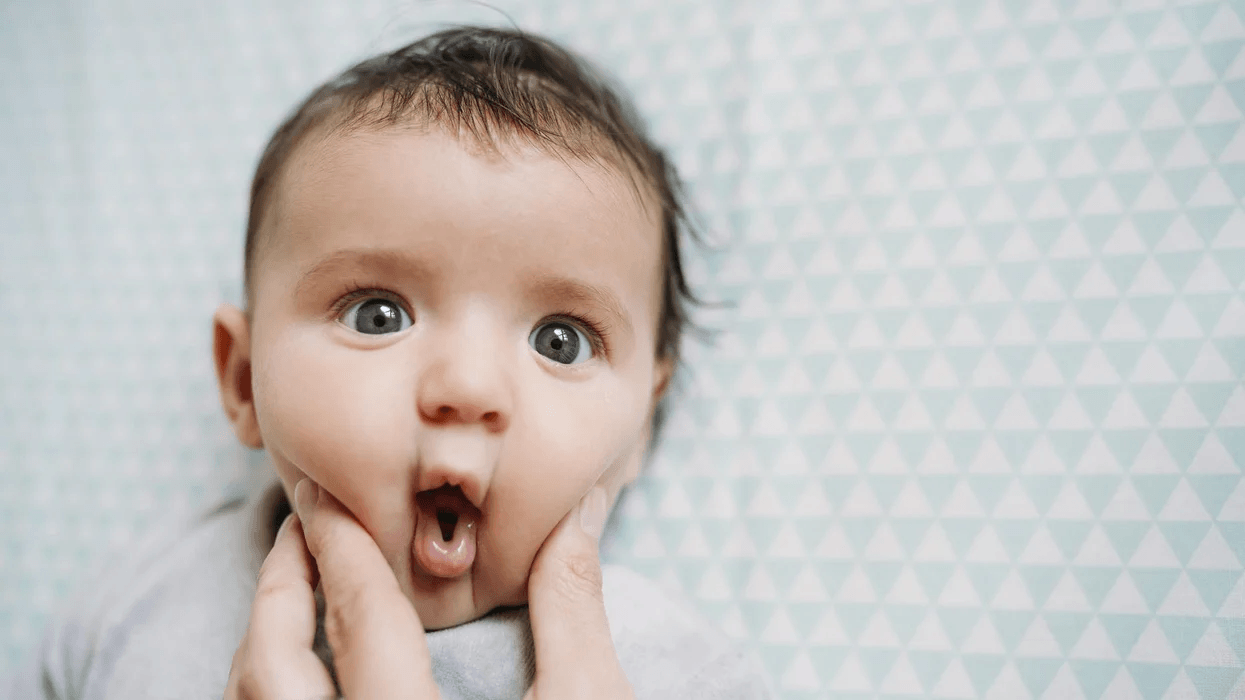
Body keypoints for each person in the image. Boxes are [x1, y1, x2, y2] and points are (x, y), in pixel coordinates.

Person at [7, 26, 772, 700]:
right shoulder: (133, 602)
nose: (466, 388)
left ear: (638, 425)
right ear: (243, 381)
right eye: (378, 315)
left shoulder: (670, 671)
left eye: (559, 340)